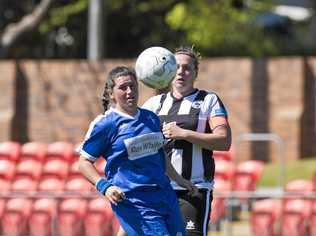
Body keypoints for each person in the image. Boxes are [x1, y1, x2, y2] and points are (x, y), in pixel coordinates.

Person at [77, 66, 197, 236]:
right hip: (134, 201)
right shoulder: (106, 125)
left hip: (164, 194)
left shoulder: (151, 118)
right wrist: (105, 187)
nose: (129, 91)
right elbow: (83, 163)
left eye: (133, 86)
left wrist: (179, 179)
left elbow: (159, 153)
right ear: (111, 93)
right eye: (123, 87)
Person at [142, 46, 232, 236]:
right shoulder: (153, 104)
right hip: (160, 189)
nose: (181, 72)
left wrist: (184, 133)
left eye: (187, 68)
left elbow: (224, 141)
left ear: (195, 73)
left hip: (193, 190)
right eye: (177, 67)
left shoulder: (209, 100)